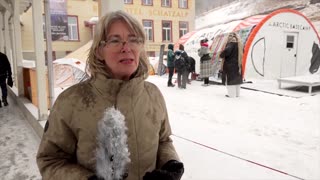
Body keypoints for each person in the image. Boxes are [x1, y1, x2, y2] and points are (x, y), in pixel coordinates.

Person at [36, 10, 184, 180]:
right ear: (99, 50)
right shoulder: (71, 101)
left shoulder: (153, 95)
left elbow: (164, 141)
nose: (126, 48)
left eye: (133, 40)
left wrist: (170, 164)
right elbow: (50, 160)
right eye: (115, 40)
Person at [220, 32, 243, 98]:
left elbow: (226, 52)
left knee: (230, 81)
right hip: (238, 65)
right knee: (237, 80)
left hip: (230, 66)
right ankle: (237, 94)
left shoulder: (231, 44)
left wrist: (221, 54)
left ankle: (231, 95)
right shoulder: (240, 45)